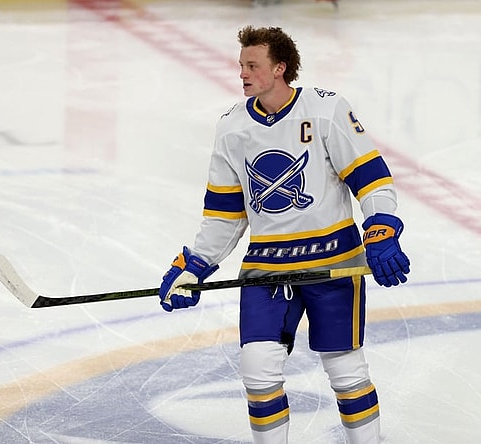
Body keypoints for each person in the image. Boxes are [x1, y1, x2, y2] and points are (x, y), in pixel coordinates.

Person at [158, 25, 410, 444]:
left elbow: (372, 180)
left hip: (334, 260)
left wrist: (381, 227)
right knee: (257, 372)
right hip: (267, 267)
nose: (242, 73)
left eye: (252, 65)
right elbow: (225, 213)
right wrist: (196, 264)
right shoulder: (232, 128)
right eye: (241, 65)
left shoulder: (325, 110)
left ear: (280, 68)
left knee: (346, 373)